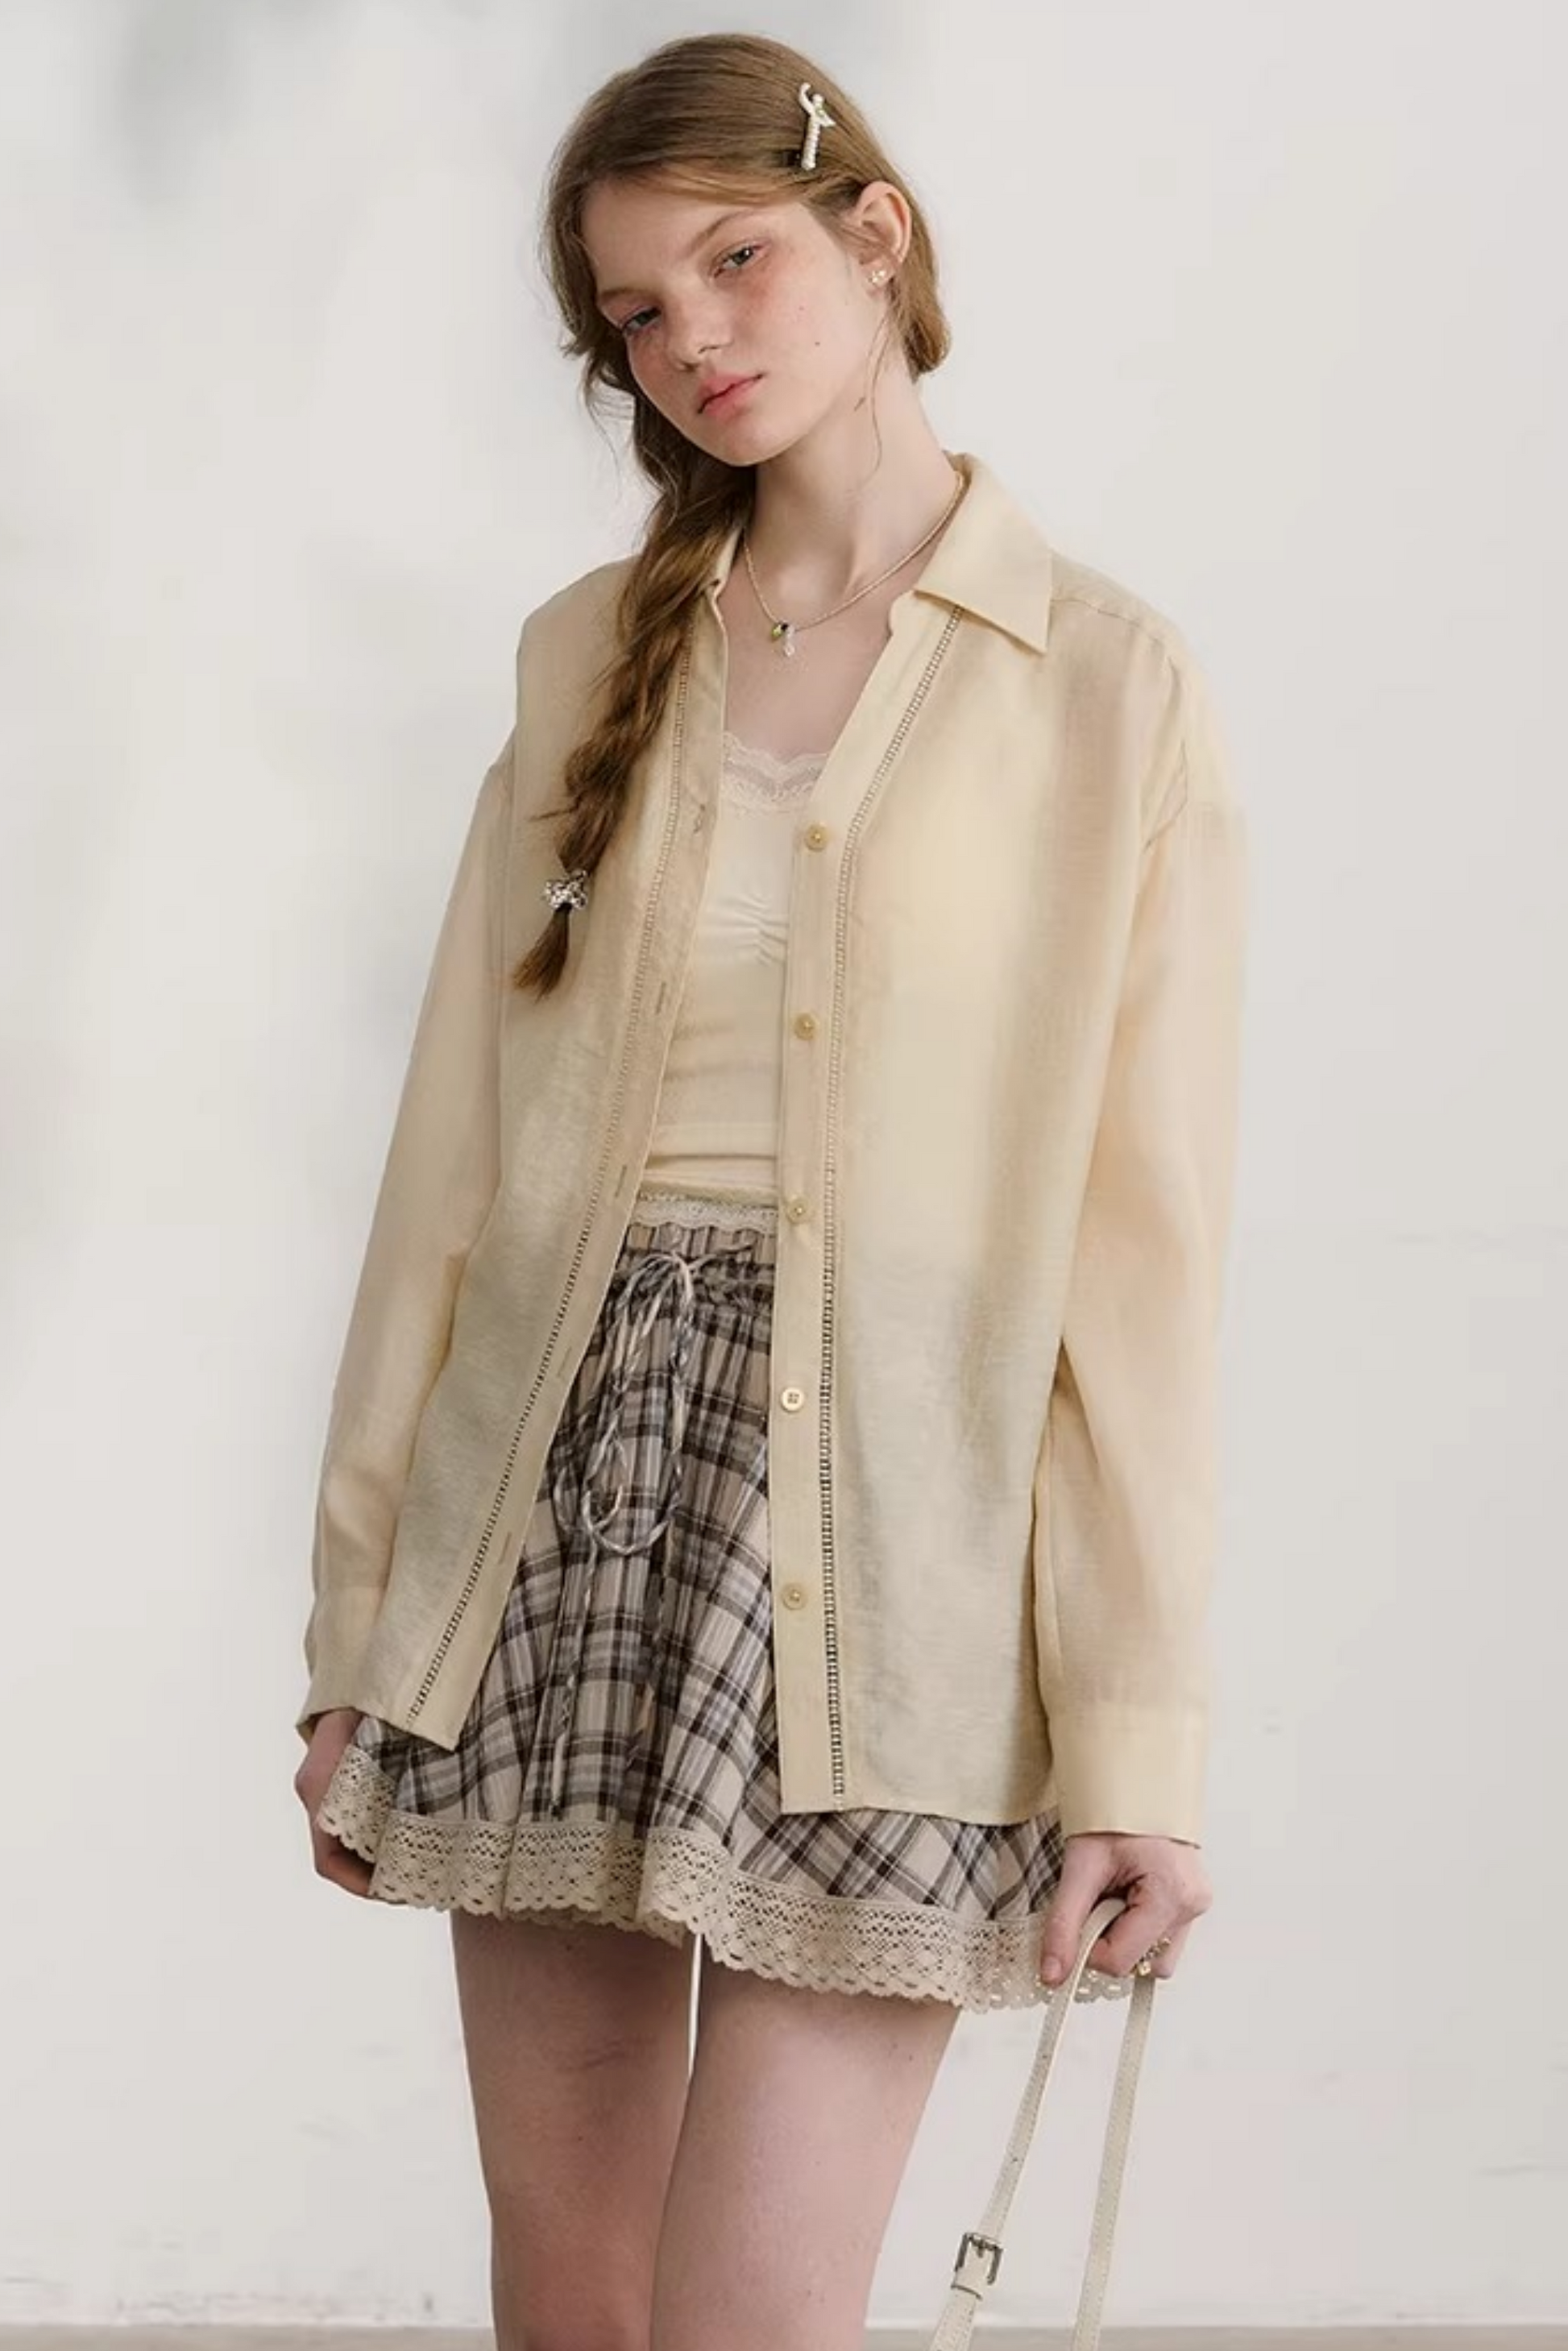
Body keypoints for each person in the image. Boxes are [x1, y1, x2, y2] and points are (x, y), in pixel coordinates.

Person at [292, 31, 1248, 2351]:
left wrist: (1136, 1741)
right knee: (574, 2301)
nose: (695, 339)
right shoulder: (586, 656)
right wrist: (358, 1639)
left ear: (872, 232)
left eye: (736, 262)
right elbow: (448, 1175)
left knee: (754, 2318)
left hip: (896, 1568)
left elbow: (1142, 1270)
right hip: (552, 1505)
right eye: (637, 312)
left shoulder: (1105, 688)